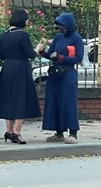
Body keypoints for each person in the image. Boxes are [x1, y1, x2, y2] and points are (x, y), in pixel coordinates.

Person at [38, 13, 84, 144]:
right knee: (55, 102)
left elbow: (78, 58)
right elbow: (52, 55)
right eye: (59, 26)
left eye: (63, 26)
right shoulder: (58, 37)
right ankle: (59, 132)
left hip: (68, 74)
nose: (60, 29)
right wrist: (43, 52)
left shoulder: (76, 38)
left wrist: (62, 58)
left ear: (69, 26)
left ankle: (73, 133)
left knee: (68, 103)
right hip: (56, 74)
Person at [0, 10, 42, 144]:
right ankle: (17, 133)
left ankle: (9, 131)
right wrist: (38, 48)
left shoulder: (3, 35)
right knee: (20, 98)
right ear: (22, 20)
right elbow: (30, 54)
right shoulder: (22, 35)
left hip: (7, 67)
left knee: (9, 98)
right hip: (21, 68)